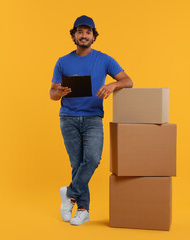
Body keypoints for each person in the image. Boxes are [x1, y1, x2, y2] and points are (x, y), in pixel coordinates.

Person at [50, 15, 133, 225]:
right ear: (74, 35)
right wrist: (59, 91)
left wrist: (113, 85)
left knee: (93, 159)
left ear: (93, 36)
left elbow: (128, 80)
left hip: (93, 118)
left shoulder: (104, 59)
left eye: (88, 32)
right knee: (77, 164)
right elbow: (52, 94)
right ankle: (83, 210)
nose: (84, 35)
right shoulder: (62, 61)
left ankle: (69, 193)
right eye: (80, 32)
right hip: (68, 118)